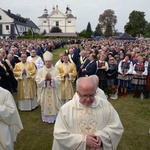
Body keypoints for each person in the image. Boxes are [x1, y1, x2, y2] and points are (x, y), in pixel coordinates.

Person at [52, 77, 124, 150]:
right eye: (85, 95)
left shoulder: (106, 106)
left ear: (95, 91)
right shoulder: (66, 110)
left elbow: (116, 127)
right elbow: (60, 134)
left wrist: (102, 137)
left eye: (91, 95)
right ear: (77, 93)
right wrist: (84, 140)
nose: (88, 99)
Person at [35, 51, 61, 123]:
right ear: (44, 62)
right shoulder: (40, 71)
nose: (48, 63)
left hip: (53, 91)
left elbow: (59, 80)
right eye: (46, 61)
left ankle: (54, 117)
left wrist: (52, 79)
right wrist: (45, 79)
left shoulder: (55, 70)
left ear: (51, 61)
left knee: (54, 103)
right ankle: (46, 118)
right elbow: (37, 80)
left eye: (49, 61)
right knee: (45, 103)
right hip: (45, 91)